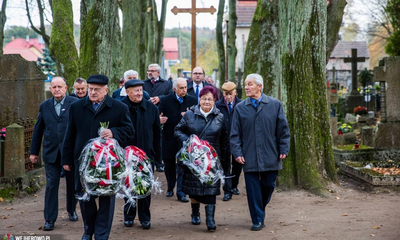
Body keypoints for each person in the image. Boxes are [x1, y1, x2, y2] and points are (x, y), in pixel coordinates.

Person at [61, 74, 134, 240]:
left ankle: (101, 234)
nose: (92, 92)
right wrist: (66, 160)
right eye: (90, 89)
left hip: (109, 164)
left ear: (106, 90)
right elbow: (69, 134)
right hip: (83, 161)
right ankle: (88, 230)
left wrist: (114, 132)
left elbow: (129, 131)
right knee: (85, 198)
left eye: (97, 90)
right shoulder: (77, 106)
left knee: (106, 200)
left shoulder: (119, 107)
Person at [230, 73, 290, 231]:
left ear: (260, 86)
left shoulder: (274, 104)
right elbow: (234, 134)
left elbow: (283, 130)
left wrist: (284, 148)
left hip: (271, 153)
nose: (247, 87)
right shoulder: (240, 108)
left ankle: (259, 210)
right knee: (252, 188)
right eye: (246, 84)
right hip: (248, 155)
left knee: (268, 185)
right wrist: (237, 152)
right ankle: (257, 219)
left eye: (250, 84)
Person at [174, 86, 229, 231]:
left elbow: (224, 140)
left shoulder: (220, 117)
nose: (206, 101)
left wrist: (223, 161)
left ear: (215, 100)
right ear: (199, 99)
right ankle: (195, 212)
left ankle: (210, 219)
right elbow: (177, 130)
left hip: (212, 161)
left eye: (210, 99)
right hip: (194, 159)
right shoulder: (189, 115)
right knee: (194, 189)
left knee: (211, 189)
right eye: (204, 98)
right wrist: (190, 141)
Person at [29, 76, 79, 231]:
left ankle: (71, 210)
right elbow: (38, 130)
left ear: (66, 88)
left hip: (69, 153)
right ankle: (50, 219)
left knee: (71, 184)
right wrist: (33, 152)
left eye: (60, 86)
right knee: (51, 185)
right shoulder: (45, 106)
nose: (57, 89)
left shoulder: (75, 104)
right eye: (54, 87)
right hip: (51, 152)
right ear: (50, 89)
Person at [121, 79, 161, 230]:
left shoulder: (152, 108)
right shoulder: (121, 107)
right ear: (128, 92)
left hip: (146, 154)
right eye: (135, 91)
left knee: (145, 186)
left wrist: (158, 158)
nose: (139, 93)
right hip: (127, 155)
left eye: (140, 90)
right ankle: (129, 216)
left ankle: (145, 217)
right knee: (128, 185)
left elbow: (157, 134)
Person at [158, 78, 197, 203]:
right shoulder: (165, 100)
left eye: (185, 87)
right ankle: (170, 186)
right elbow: (158, 115)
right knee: (169, 165)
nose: (184, 90)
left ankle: (181, 192)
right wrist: (159, 120)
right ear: (175, 89)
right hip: (169, 137)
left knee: (183, 165)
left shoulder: (192, 100)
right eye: (181, 88)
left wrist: (190, 116)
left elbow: (197, 119)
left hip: (185, 138)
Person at [215, 82, 242, 201]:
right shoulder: (217, 106)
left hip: (238, 140)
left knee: (237, 165)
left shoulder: (242, 105)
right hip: (223, 140)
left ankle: (234, 185)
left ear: (235, 93)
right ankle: (227, 190)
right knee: (225, 166)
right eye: (226, 94)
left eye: (231, 94)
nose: (228, 97)